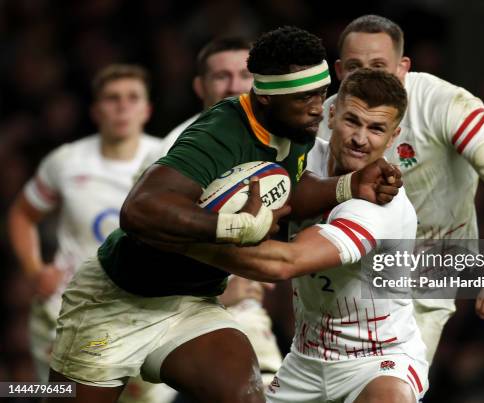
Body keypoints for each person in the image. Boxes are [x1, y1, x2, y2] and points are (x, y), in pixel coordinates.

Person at [46, 27, 402, 403]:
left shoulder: (293, 123)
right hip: (117, 299)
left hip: (190, 302)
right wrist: (233, 226)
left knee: (245, 397)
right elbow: (139, 210)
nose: (319, 107)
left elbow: (288, 187)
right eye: (305, 98)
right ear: (265, 98)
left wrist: (348, 186)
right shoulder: (217, 135)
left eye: (320, 93)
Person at [317, 15, 484, 365]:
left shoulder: (443, 103)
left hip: (426, 275)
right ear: (338, 70)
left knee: (391, 387)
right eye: (354, 67)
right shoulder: (325, 119)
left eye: (379, 66)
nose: (366, 78)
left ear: (402, 67)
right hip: (342, 275)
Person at [187, 68, 429, 403]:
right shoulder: (298, 157)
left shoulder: (383, 205)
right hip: (305, 360)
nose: (360, 138)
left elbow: (285, 263)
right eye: (352, 121)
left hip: (377, 360)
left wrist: (186, 241)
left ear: (393, 136)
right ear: (331, 114)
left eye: (376, 129)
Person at [7, 64, 177, 403]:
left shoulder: (170, 159)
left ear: (147, 110)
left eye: (132, 98)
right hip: (67, 311)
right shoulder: (67, 161)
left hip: (145, 312)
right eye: (112, 99)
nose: (122, 106)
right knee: (61, 396)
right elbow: (22, 214)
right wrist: (34, 269)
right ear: (96, 110)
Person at [141, 36, 283, 386]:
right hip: (182, 307)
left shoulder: (278, 140)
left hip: (257, 301)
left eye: (244, 74)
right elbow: (149, 243)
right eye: (221, 76)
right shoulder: (171, 152)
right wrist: (221, 292)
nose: (234, 85)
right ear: (199, 85)